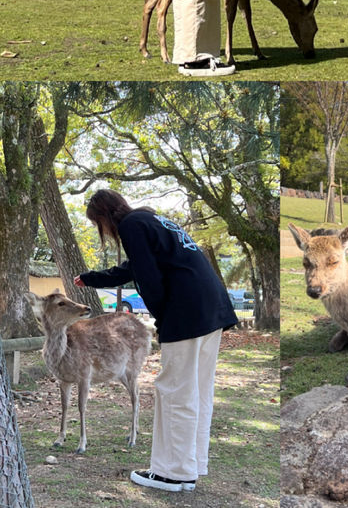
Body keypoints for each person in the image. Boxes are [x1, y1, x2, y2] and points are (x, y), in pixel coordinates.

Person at [74, 188, 238, 494]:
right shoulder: (150, 219)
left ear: (104, 217)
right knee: (197, 390)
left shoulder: (132, 226)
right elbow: (135, 269)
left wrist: (163, 318)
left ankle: (171, 474)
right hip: (211, 307)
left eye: (99, 224)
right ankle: (190, 466)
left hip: (187, 312)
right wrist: (92, 278)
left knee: (174, 390)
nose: (105, 232)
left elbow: (148, 279)